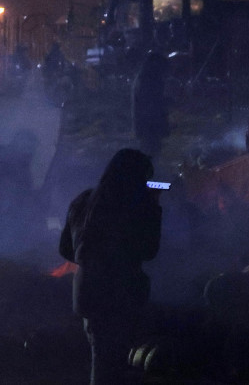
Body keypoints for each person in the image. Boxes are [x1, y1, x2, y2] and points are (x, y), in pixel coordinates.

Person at [58, 149, 162, 384]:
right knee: (111, 364)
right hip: (120, 292)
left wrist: (90, 260)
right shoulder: (137, 205)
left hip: (87, 290)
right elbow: (149, 250)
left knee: (102, 356)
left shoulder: (84, 201)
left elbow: (65, 249)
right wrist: (154, 205)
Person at [132, 51, 170, 158]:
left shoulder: (145, 78)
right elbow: (154, 105)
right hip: (149, 125)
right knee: (150, 152)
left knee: (150, 151)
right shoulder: (149, 80)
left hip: (146, 124)